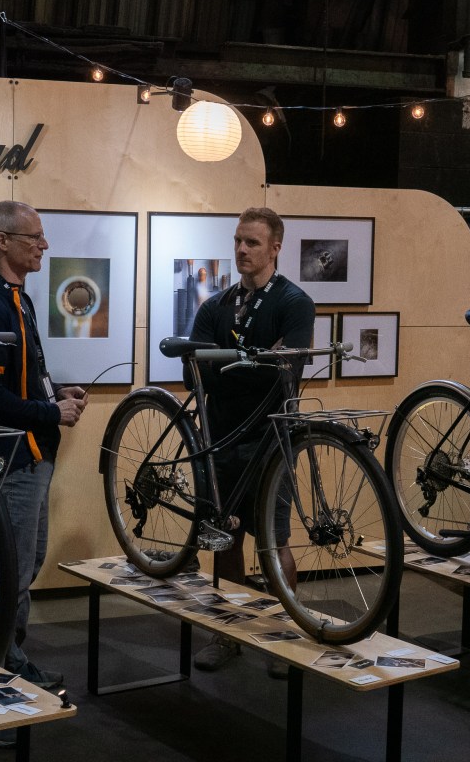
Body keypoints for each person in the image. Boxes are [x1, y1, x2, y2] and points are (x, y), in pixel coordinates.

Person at [0, 200, 88, 702]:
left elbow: (22, 379)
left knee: (24, 563)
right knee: (8, 567)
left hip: (31, 454)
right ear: (2, 241)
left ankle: (9, 657)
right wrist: (50, 413)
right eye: (34, 237)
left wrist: (55, 394)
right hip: (9, 455)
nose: (44, 245)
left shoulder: (18, 298)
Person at [186, 207, 315, 677]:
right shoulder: (215, 306)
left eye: (252, 242)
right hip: (220, 436)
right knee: (225, 539)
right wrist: (256, 361)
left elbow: (286, 371)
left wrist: (228, 367)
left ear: (275, 247)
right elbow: (194, 372)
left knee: (274, 542)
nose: (242, 249)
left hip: (271, 439)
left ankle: (286, 636)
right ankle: (229, 632)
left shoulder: (294, 303)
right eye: (238, 241)